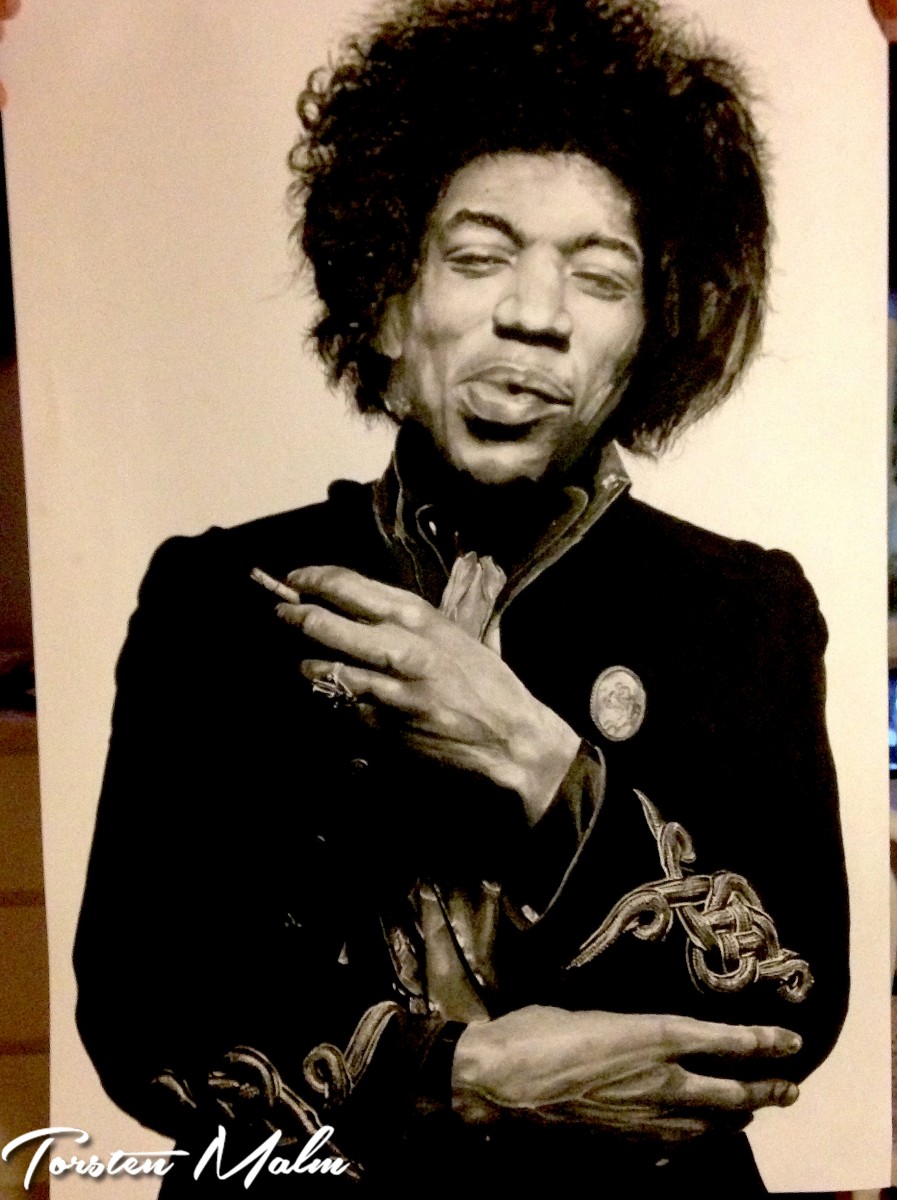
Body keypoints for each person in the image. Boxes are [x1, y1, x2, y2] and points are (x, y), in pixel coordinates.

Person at [73, 0, 849, 1194]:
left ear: (650, 335)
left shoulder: (745, 609)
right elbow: (142, 1010)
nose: (534, 315)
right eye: (480, 258)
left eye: (600, 276)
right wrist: (458, 1077)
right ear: (387, 307)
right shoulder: (220, 597)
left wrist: (536, 762)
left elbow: (790, 1006)